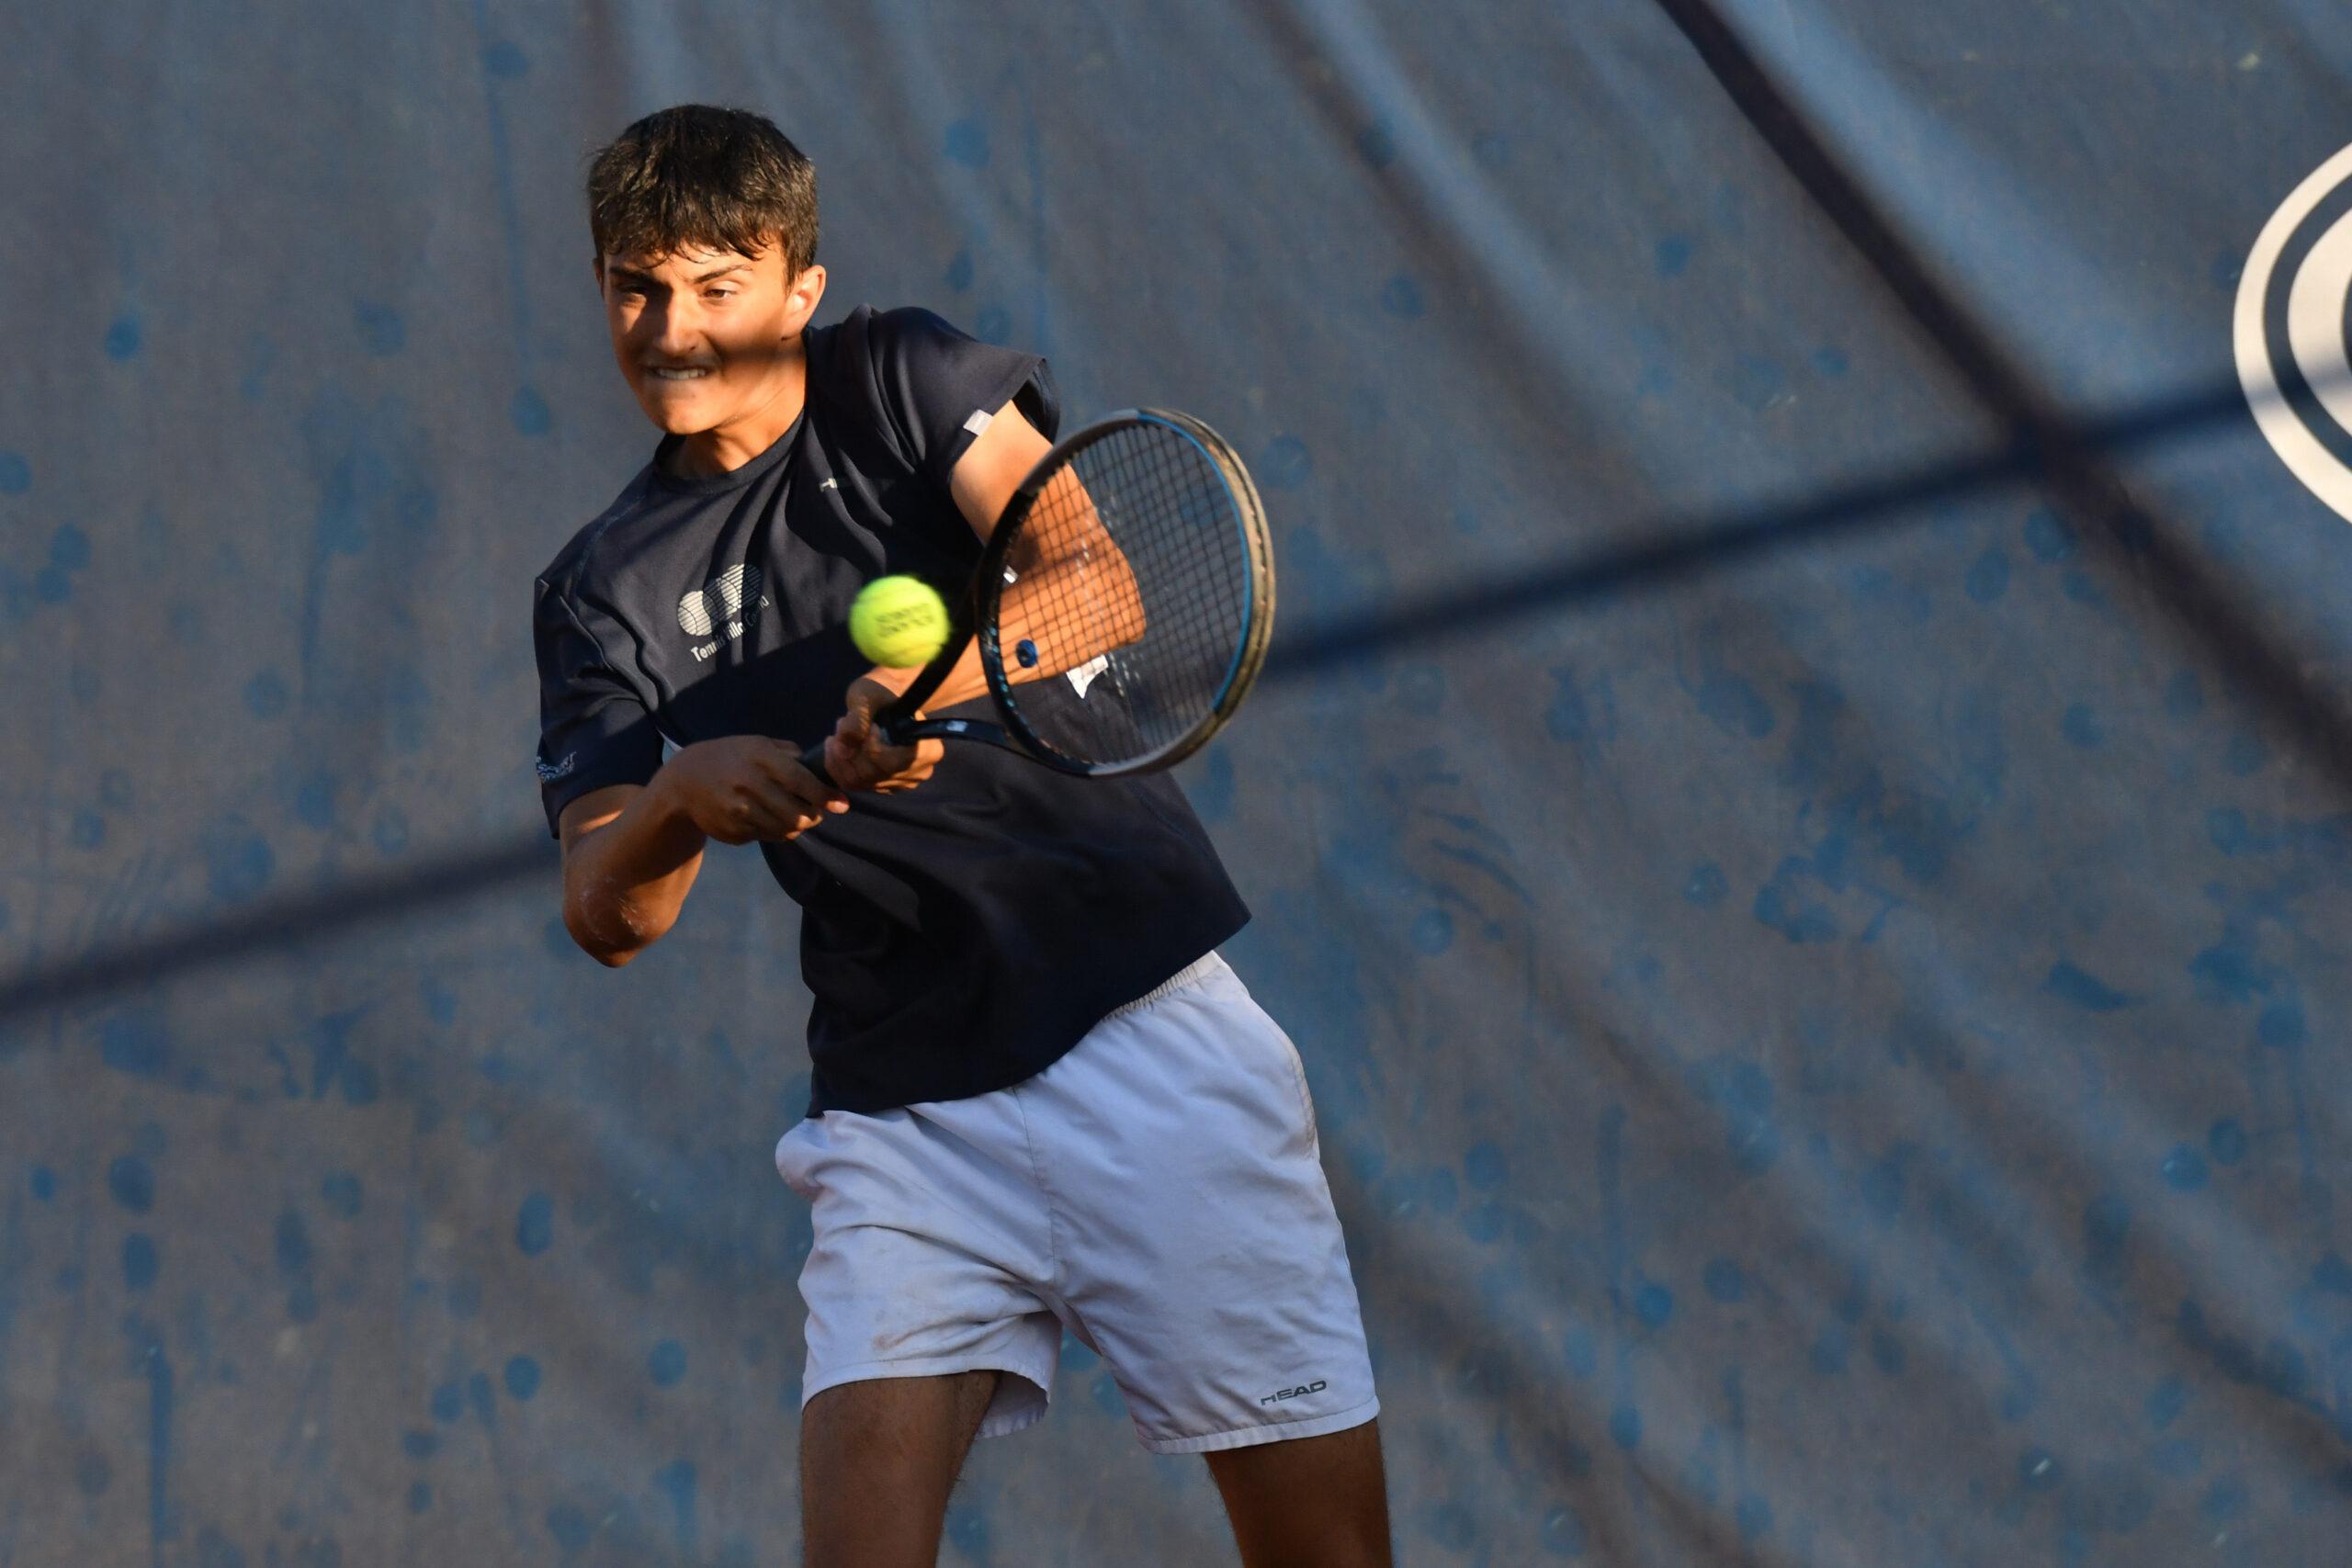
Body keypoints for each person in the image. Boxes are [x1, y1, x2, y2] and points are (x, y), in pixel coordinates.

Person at [533, 104, 1390, 1567]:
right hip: (902, 1111)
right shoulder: (597, 592)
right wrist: (680, 799)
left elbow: (1097, 582)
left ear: (799, 289)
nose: (671, 328)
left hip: (1148, 1042)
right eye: (635, 283)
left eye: (716, 285)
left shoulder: (904, 377)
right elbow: (609, 911)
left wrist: (930, 690)